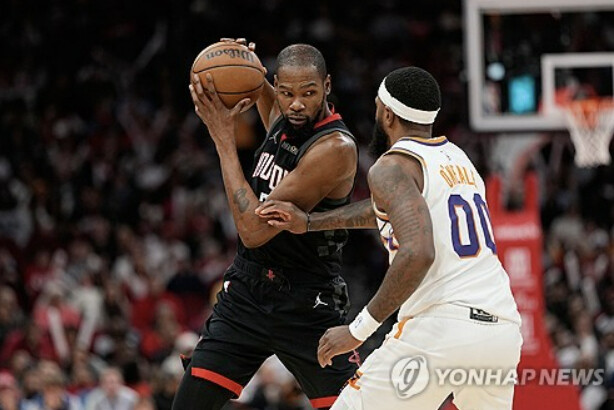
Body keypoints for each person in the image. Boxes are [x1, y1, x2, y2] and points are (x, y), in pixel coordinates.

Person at [256, 67, 523, 409]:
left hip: (441, 328)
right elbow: (393, 211)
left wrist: (357, 330)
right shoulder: (459, 159)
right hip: (500, 330)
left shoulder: (391, 167)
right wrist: (311, 222)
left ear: (387, 113)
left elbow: (418, 252)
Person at [176, 40, 358, 410]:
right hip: (247, 291)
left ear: (327, 86)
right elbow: (257, 84)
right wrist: (245, 63)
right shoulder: (282, 117)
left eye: (308, 93)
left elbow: (252, 230)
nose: (296, 103)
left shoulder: (334, 148)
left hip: (306, 302)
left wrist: (224, 139)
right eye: (287, 92)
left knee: (356, 405)